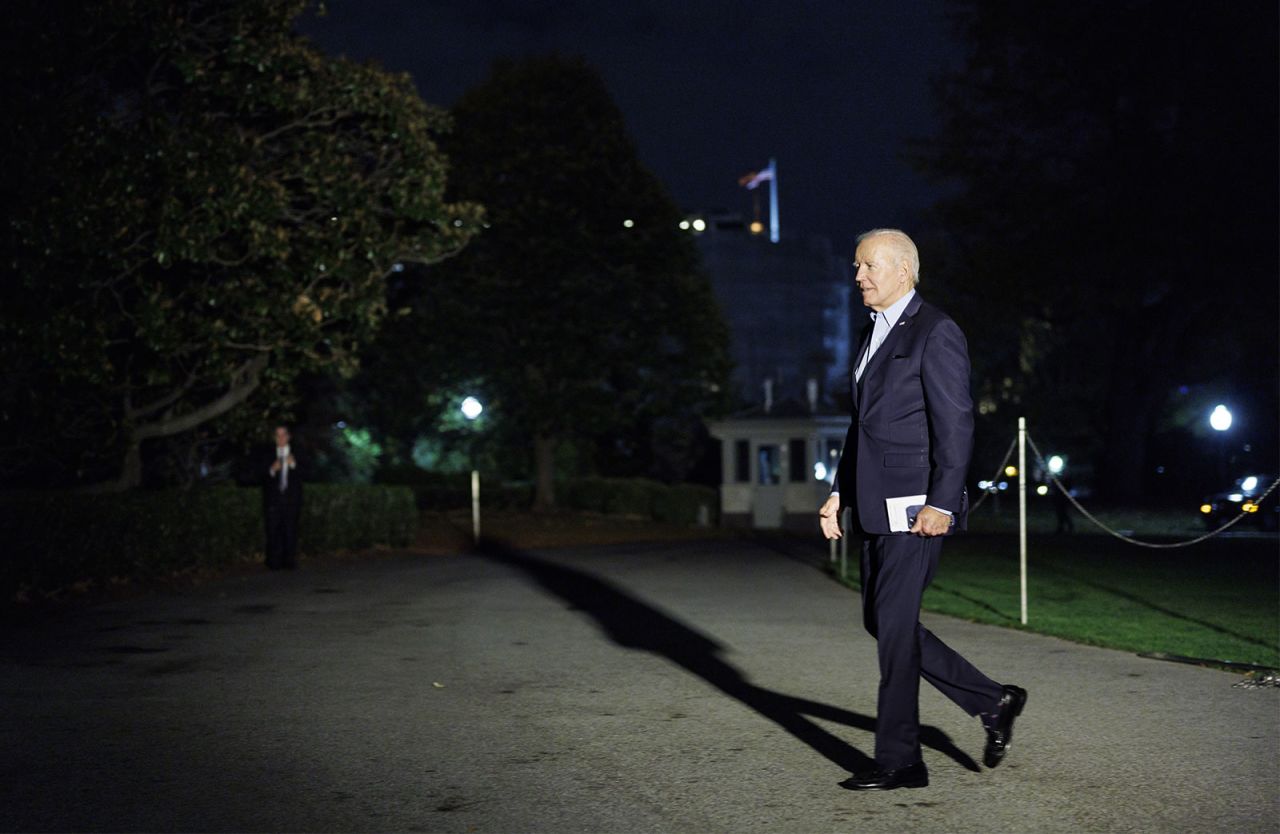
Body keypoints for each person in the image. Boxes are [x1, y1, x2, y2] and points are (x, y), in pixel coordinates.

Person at [819, 229, 1026, 791]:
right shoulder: (872, 333)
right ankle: (992, 699)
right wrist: (840, 491)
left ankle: (901, 760)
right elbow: (861, 426)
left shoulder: (937, 331)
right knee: (881, 622)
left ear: (903, 271)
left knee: (891, 630)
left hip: (917, 510)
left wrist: (941, 501)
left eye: (867, 267)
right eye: (856, 266)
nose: (857, 277)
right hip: (872, 504)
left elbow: (956, 423)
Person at [264, 424, 302, 570]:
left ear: (288, 436)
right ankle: (273, 562)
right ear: (274, 438)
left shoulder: (297, 452)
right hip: (273, 501)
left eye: (283, 434)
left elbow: (308, 472)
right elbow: (255, 475)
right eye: (277, 435)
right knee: (273, 531)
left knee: (290, 531)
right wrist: (272, 470)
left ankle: (289, 562)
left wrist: (293, 465)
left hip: (291, 500)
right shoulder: (268, 454)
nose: (280, 438)